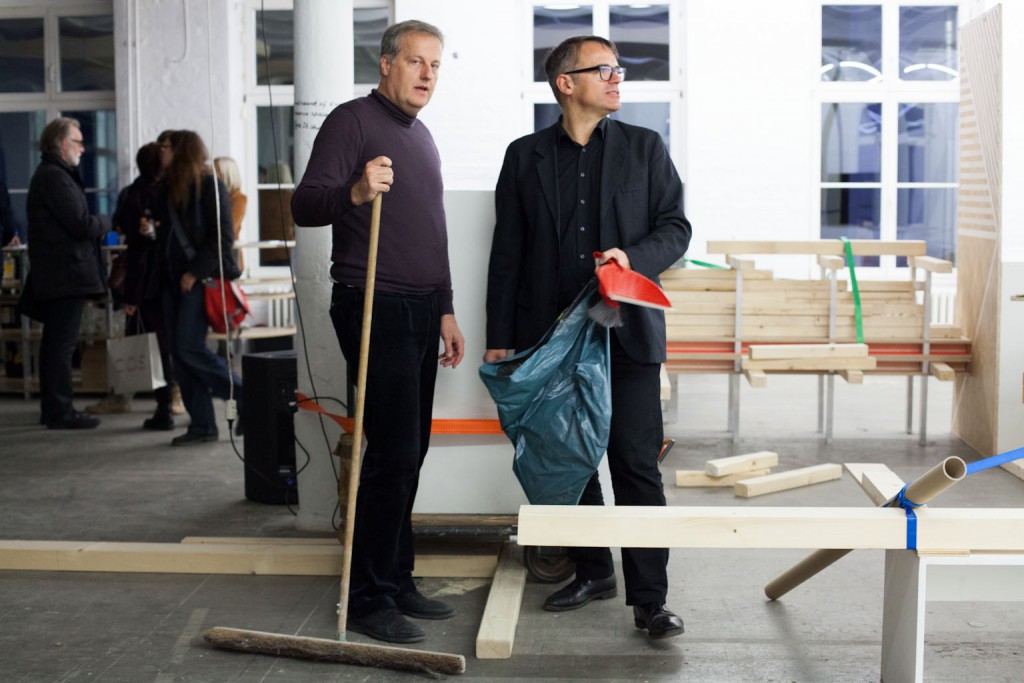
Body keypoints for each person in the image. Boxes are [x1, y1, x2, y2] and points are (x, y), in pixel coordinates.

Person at [484, 36, 692, 640]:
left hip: (624, 332)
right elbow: (507, 252)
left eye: (617, 69)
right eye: (604, 69)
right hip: (551, 338)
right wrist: (501, 335)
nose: (616, 77)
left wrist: (635, 258)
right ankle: (594, 569)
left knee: (635, 464)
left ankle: (650, 601)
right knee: (567, 460)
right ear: (566, 83)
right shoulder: (523, 157)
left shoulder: (644, 148)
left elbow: (676, 228)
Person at [291, 19, 464, 645]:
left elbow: (433, 230)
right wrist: (358, 191)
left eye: (435, 65)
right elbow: (304, 205)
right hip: (373, 302)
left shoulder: (423, 137)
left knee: (411, 450)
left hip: (420, 308)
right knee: (392, 452)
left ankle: (396, 577)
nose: (427, 74)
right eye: (416, 61)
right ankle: (368, 597)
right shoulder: (352, 121)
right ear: (386, 63)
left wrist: (445, 307)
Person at [157, 130, 243, 446]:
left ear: (181, 151)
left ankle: (245, 394)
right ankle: (203, 424)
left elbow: (222, 238)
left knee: (188, 348)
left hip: (198, 281)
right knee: (180, 357)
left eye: (165, 147)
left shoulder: (210, 186)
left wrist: (193, 272)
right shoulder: (170, 187)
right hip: (171, 282)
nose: (161, 152)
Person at [25, 117, 111, 429]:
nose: (83, 148)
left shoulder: (53, 175)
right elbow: (80, 224)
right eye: (78, 142)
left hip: (60, 273)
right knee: (61, 346)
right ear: (63, 145)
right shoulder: (55, 178)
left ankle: (54, 409)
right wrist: (107, 221)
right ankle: (60, 411)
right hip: (64, 274)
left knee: (55, 345)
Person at [116, 141, 178, 430]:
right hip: (172, 278)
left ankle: (164, 407)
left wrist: (131, 296)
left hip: (148, 283)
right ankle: (180, 403)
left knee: (157, 347)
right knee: (173, 345)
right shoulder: (172, 191)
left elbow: (136, 250)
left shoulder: (133, 195)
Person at [213, 157, 247, 270]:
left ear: (226, 174)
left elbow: (230, 227)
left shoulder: (238, 199)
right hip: (213, 255)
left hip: (228, 257)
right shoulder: (213, 195)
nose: (212, 174)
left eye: (216, 170)